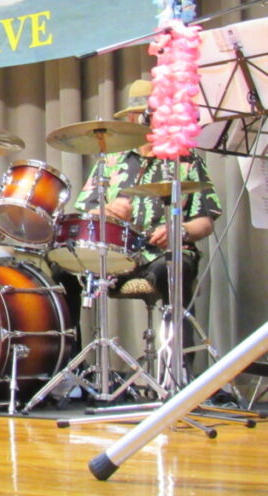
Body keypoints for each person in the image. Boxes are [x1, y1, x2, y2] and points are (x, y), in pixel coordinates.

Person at [54, 79, 221, 365]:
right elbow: (86, 213)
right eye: (146, 116)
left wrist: (180, 231)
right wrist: (106, 211)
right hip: (115, 256)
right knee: (61, 269)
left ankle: (177, 370)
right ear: (133, 119)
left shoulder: (186, 160)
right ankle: (70, 364)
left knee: (174, 268)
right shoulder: (111, 161)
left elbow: (205, 221)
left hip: (164, 255)